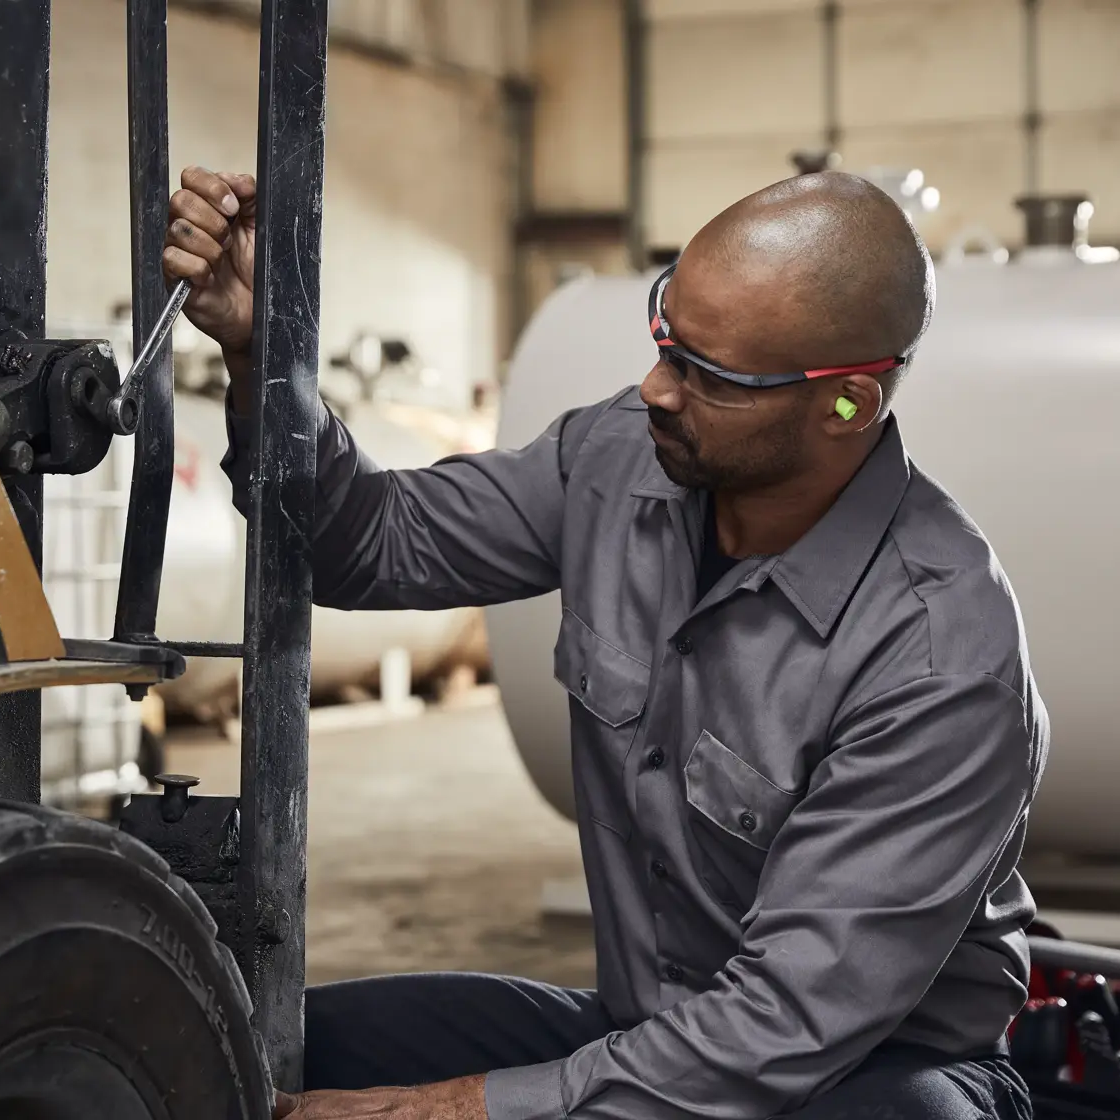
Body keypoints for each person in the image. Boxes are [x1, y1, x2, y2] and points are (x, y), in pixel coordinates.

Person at [162, 167, 1045, 1120]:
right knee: (252, 1036)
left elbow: (783, 1026)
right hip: (644, 1034)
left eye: (711, 375)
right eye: (668, 335)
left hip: (858, 1071)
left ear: (848, 405)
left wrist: (445, 1111)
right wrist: (262, 352)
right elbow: (369, 546)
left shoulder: (939, 656)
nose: (657, 387)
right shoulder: (622, 456)